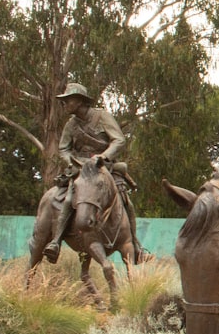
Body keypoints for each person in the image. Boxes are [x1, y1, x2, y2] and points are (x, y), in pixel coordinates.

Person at [43, 83, 148, 264]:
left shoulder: (102, 116)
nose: (65, 104)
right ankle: (56, 241)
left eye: (69, 100)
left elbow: (119, 140)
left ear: (80, 101)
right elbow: (64, 149)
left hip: (104, 167)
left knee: (125, 199)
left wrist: (103, 156)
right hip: (81, 170)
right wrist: (73, 163)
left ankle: (136, 244)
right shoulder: (71, 125)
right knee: (68, 198)